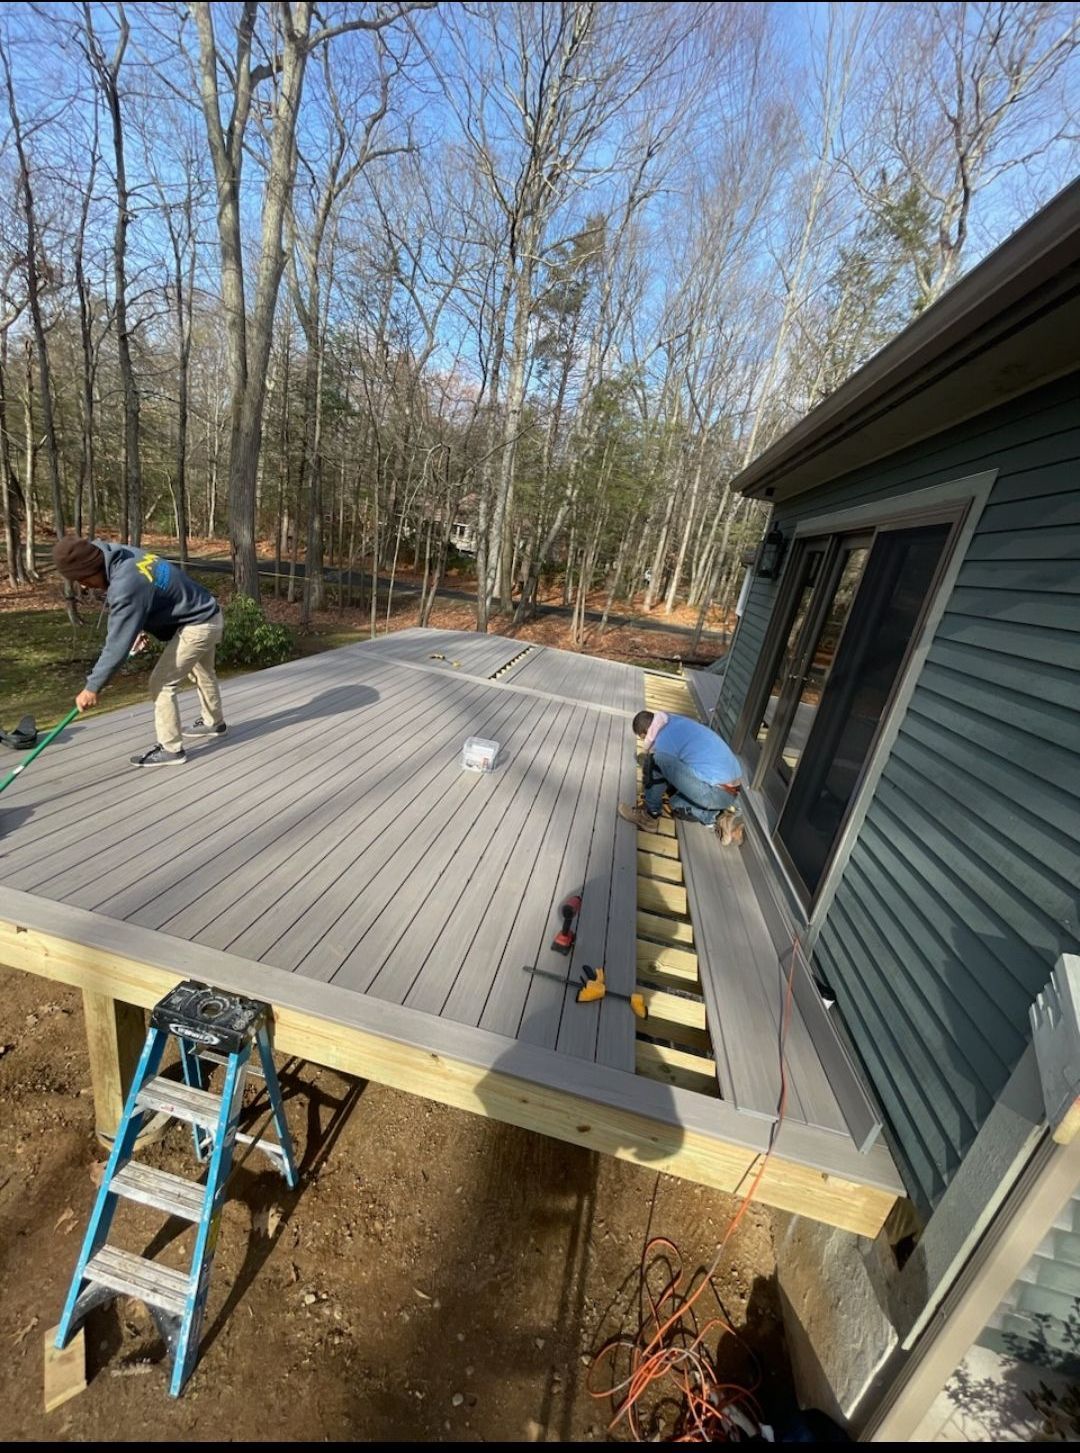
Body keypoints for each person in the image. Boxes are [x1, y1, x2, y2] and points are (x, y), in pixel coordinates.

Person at [53, 536, 227, 767]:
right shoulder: (122, 554)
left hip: (198, 626)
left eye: (82, 579)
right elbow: (151, 596)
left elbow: (116, 645)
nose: (84, 586)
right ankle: (214, 722)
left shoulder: (125, 584)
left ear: (93, 567)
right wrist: (138, 628)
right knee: (202, 671)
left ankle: (171, 749)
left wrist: (92, 687)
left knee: (161, 684)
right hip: (207, 612)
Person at [619, 709, 743, 842]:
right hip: (733, 788)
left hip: (717, 792)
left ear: (644, 734)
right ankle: (719, 817)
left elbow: (661, 763)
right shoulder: (674, 721)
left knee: (654, 760)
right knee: (676, 804)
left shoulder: (662, 742)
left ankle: (650, 816)